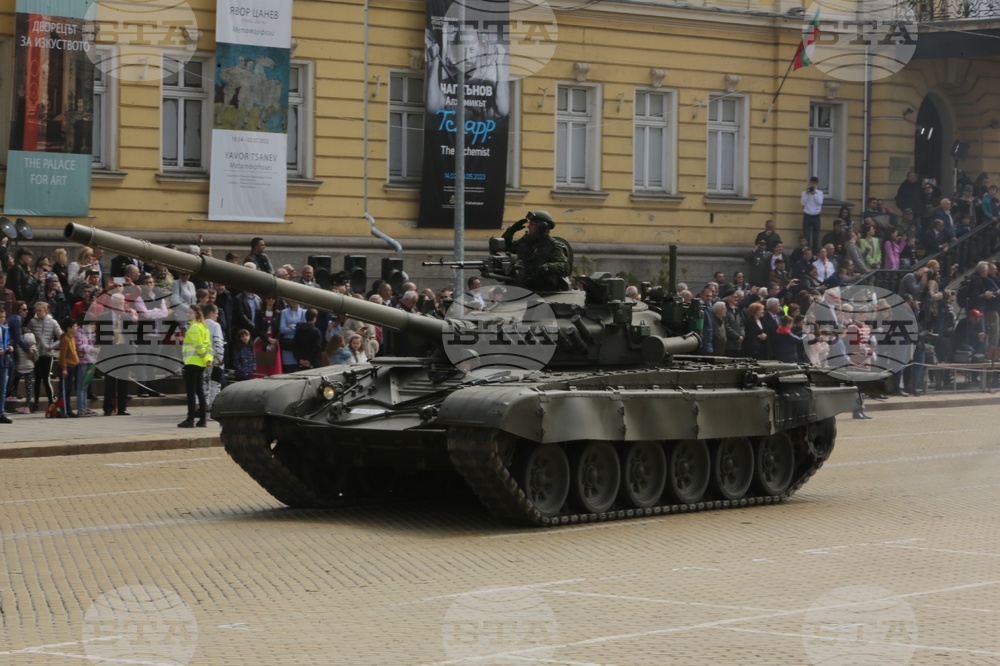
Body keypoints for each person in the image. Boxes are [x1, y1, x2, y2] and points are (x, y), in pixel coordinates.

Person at [501, 210, 570, 292]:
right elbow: (508, 247)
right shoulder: (526, 241)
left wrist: (548, 267)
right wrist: (511, 231)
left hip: (543, 292)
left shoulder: (553, 245)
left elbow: (565, 267)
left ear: (542, 227)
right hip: (522, 288)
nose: (528, 226)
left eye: (532, 224)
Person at [178, 305, 212, 428]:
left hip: (192, 362)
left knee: (191, 392)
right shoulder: (204, 327)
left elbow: (199, 346)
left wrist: (205, 358)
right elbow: (208, 345)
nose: (188, 314)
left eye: (190, 313)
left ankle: (190, 419)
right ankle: (202, 419)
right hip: (200, 363)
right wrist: (208, 359)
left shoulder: (194, 328)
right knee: (199, 391)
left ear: (197, 314)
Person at [57, 317, 80, 418]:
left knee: (69, 389)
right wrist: (64, 368)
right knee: (64, 389)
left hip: (72, 366)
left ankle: (68, 409)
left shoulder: (72, 338)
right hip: (67, 367)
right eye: (74, 326)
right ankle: (62, 409)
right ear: (68, 328)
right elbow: (62, 356)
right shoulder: (65, 339)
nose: (76, 328)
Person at [800, 176, 824, 251]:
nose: (812, 184)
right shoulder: (804, 193)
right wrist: (807, 194)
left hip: (816, 216)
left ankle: (815, 253)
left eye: (814, 183)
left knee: (816, 236)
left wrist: (814, 194)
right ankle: (807, 251)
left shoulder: (820, 193)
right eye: (811, 182)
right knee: (806, 236)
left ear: (817, 184)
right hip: (807, 215)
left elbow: (820, 202)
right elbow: (802, 203)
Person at [0, 308, 11, 423]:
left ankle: (1, 412)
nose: (2, 319)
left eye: (3, 317)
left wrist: (9, 347)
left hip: (3, 361)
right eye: (0, 317)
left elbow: (7, 342)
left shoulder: (5, 329)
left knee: (2, 388)